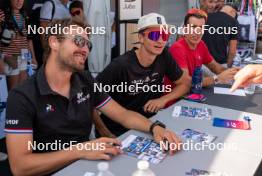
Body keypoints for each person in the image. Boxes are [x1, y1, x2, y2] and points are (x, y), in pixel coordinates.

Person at [4, 17, 181, 176]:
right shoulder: (22, 96)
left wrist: (156, 128)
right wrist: (80, 150)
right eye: (79, 41)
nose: (85, 49)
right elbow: (20, 166)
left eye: (88, 45)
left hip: (88, 165)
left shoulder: (85, 79)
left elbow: (123, 115)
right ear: (54, 42)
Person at [96, 13, 191, 136]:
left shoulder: (164, 55)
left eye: (165, 35)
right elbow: (91, 99)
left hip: (152, 124)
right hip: (120, 130)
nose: (160, 40)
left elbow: (185, 83)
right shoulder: (120, 65)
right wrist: (104, 132)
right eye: (155, 35)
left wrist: (163, 100)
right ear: (141, 37)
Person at [167, 9, 239, 89]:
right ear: (185, 29)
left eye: (201, 28)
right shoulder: (177, 48)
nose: (197, 32)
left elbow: (215, 67)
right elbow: (186, 83)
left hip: (191, 94)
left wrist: (235, 72)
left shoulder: (200, 44)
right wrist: (217, 79)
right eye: (193, 27)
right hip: (177, 99)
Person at [0, 0, 37, 90]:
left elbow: (29, 39)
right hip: (9, 57)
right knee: (13, 90)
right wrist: (0, 60)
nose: (19, 1)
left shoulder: (26, 15)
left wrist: (33, 57)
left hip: (24, 57)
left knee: (22, 90)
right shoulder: (2, 14)